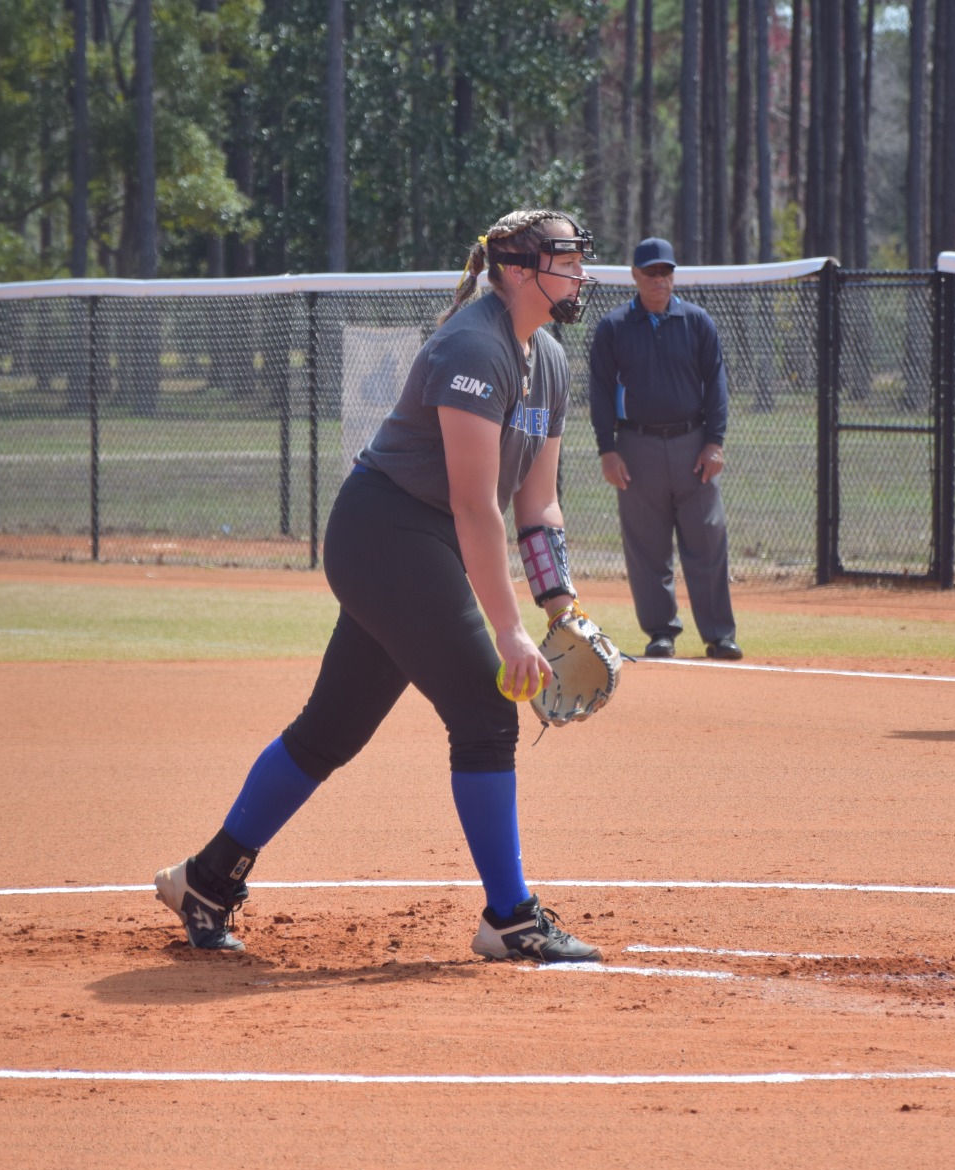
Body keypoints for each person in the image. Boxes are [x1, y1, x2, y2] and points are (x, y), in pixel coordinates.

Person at [156, 207, 606, 963]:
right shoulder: (471, 344)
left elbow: (536, 503)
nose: (581, 271)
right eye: (565, 257)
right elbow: (471, 504)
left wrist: (559, 605)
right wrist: (508, 630)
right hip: (386, 534)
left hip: (424, 548)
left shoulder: (550, 360)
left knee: (330, 730)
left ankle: (205, 880)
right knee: (488, 711)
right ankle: (510, 917)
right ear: (518, 268)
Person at [589, 235, 742, 662]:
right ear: (635, 276)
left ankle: (719, 634)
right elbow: (600, 392)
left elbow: (716, 385)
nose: (659, 280)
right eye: (651, 272)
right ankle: (661, 632)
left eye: (666, 272)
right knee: (646, 547)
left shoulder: (696, 322)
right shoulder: (614, 327)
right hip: (636, 446)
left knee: (707, 541)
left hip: (693, 444)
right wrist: (607, 449)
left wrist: (715, 442)